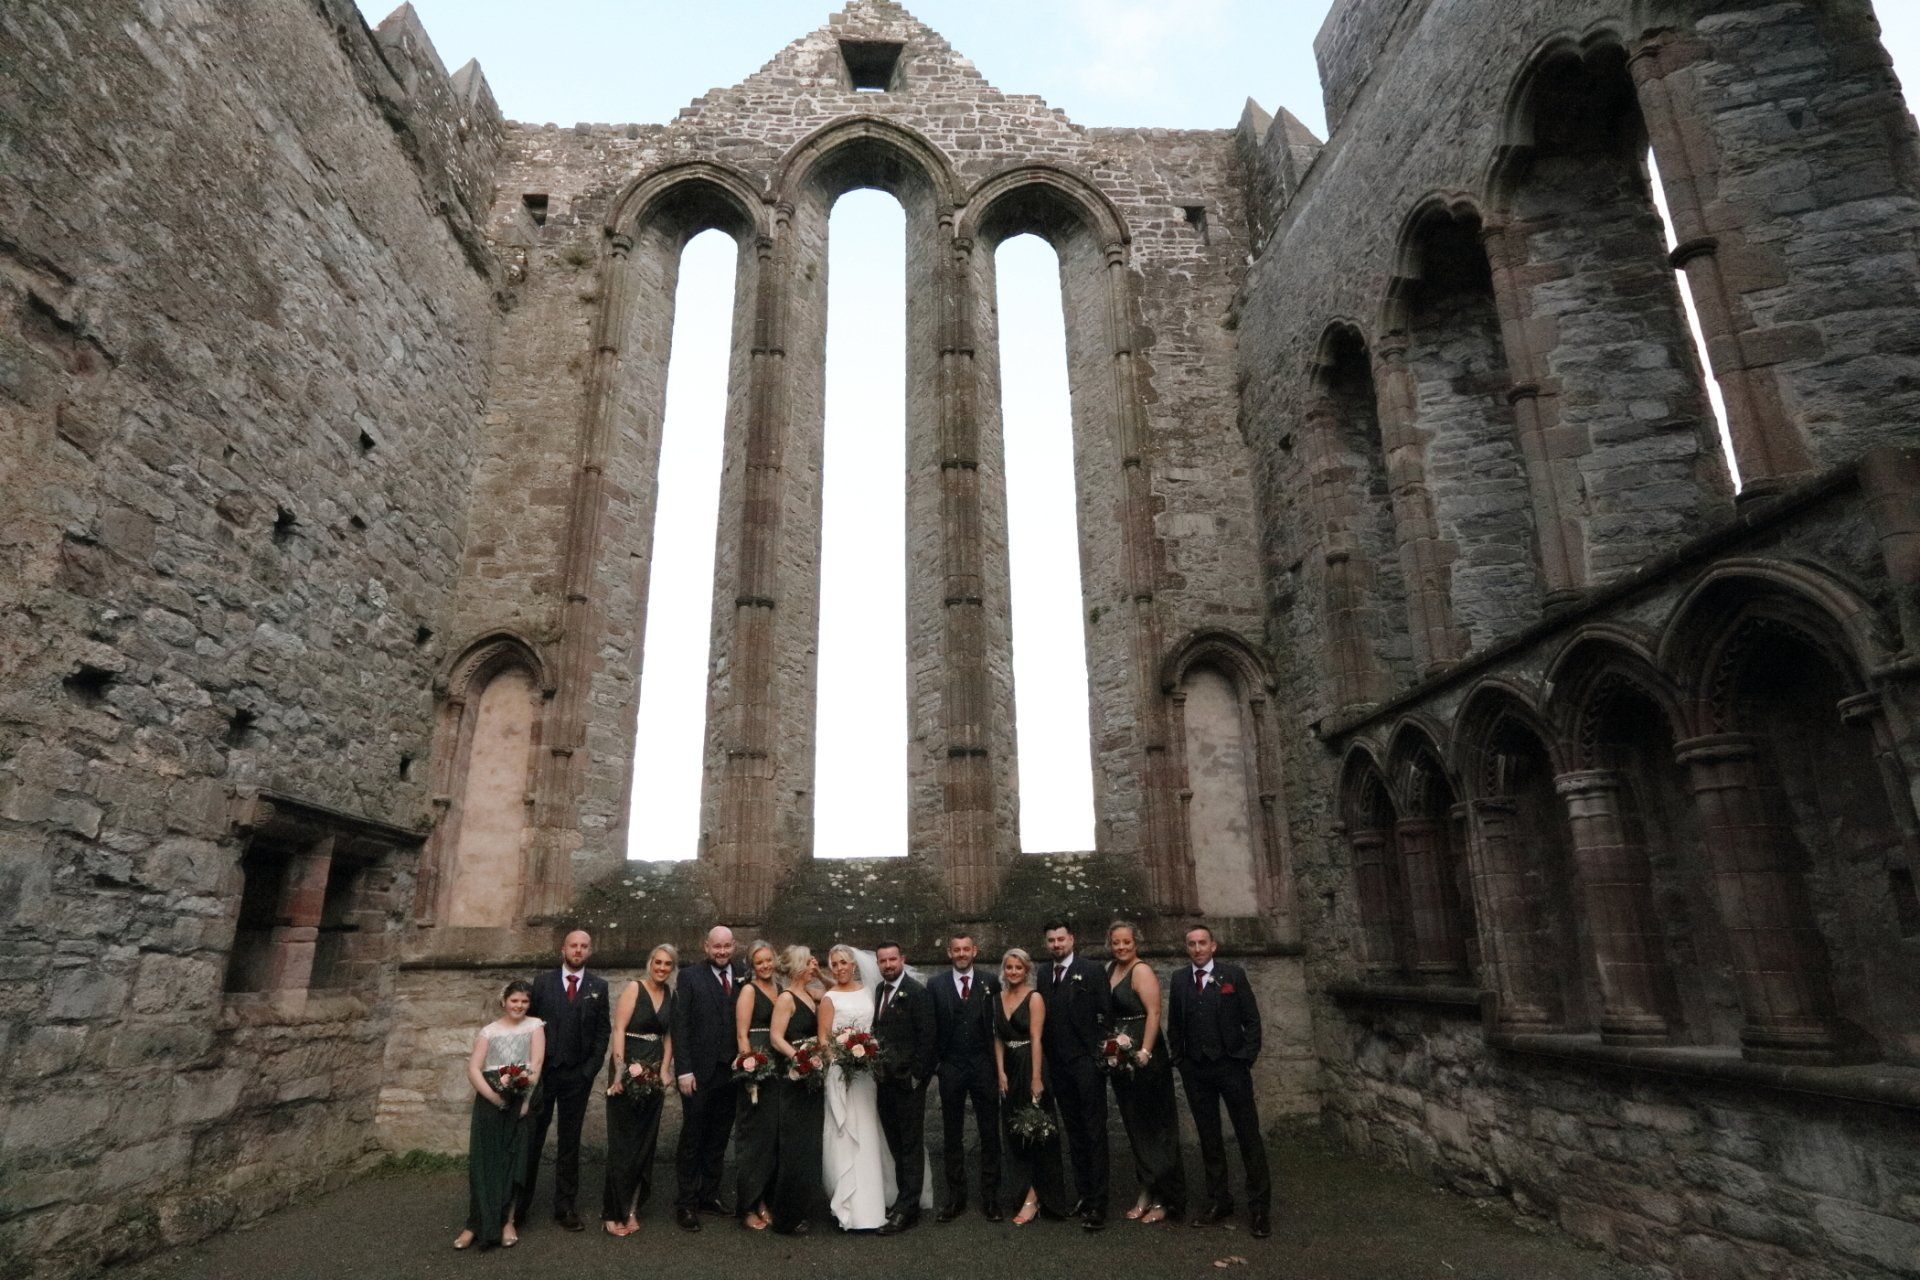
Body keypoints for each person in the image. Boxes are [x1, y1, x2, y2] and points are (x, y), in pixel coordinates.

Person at [1166, 923, 1271, 1240]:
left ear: (1213, 946)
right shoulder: (1179, 979)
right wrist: (1181, 1060)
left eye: (1202, 942)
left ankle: (1259, 1207)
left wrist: (1245, 1058)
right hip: (1196, 1070)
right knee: (1209, 1137)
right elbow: (1175, 1025)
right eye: (1191, 944)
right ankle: (1219, 1200)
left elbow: (1252, 1020)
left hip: (1231, 1067)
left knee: (1248, 1135)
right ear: (1187, 948)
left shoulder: (1233, 976)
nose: (1197, 948)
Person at [518, 929, 610, 1232]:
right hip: (544, 1074)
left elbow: (603, 1032)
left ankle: (565, 1206)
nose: (578, 950)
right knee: (533, 1138)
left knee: (569, 1142)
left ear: (589, 951)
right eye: (573, 945)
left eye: (584, 946)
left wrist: (589, 1071)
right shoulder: (542, 984)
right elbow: (529, 1026)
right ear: (563, 949)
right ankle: (519, 1206)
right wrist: (531, 1069)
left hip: (577, 1076)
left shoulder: (599, 986)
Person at [1105, 919, 1186, 1226]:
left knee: (1156, 1126)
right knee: (1135, 1126)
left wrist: (1146, 1051)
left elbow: (1153, 1012)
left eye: (1126, 942)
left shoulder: (1141, 971)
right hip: (1122, 1058)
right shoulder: (1110, 970)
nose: (1121, 947)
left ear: (1135, 942)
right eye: (1116, 942)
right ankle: (1146, 1190)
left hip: (1146, 1058)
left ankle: (1166, 1197)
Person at [456, 980, 545, 1251]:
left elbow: (536, 1064)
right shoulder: (489, 1031)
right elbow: (474, 1068)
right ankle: (475, 1223)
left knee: (514, 1160)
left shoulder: (535, 1026)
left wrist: (526, 1101)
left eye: (524, 1001)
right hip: (490, 1099)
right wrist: (494, 1097)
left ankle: (508, 1221)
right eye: (514, 1000)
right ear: (504, 1001)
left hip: (522, 1097)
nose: (519, 1006)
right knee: (486, 1160)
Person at [1037, 918, 1112, 1230]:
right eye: (1051, 940)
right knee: (1075, 1133)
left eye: (1061, 939)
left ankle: (1099, 1204)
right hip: (1059, 1066)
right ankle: (1084, 1194)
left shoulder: (1091, 970)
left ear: (1072, 939)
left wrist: (1098, 1057)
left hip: (1086, 1063)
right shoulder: (1043, 973)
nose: (1056, 944)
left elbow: (1105, 1015)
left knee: (1094, 1132)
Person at [670, 924, 745, 1232]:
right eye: (717, 946)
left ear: (733, 946)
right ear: (706, 947)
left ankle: (709, 1195)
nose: (722, 951)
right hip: (698, 1073)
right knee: (693, 1137)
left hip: (731, 1072)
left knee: (718, 1136)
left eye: (726, 946)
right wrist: (683, 1070)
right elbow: (680, 1025)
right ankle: (686, 1202)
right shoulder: (689, 977)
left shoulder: (744, 974)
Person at [820, 943, 896, 1230]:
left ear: (854, 965)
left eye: (844, 962)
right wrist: (841, 1061)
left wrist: (866, 1055)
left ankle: (873, 1203)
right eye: (835, 964)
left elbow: (875, 1029)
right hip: (841, 1073)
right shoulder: (829, 998)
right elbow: (824, 1038)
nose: (840, 968)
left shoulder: (869, 992)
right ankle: (848, 1205)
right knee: (845, 1133)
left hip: (866, 1075)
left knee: (867, 1130)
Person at [601, 943, 676, 1237]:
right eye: (658, 962)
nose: (662, 968)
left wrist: (665, 1069)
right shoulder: (635, 988)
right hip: (628, 1068)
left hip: (654, 1071)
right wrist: (619, 1072)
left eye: (667, 964)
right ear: (650, 963)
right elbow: (619, 1029)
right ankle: (612, 1211)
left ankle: (632, 1208)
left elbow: (669, 1035)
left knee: (645, 1142)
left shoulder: (671, 995)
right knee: (623, 1142)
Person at [930, 931, 1001, 1223]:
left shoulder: (990, 982)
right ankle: (956, 1198)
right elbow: (932, 1027)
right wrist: (938, 1064)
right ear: (949, 952)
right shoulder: (936, 985)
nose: (961, 954)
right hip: (952, 1066)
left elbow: (997, 1023)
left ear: (975, 951)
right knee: (952, 1134)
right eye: (956, 949)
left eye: (966, 949)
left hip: (983, 1065)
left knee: (989, 1131)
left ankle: (991, 1197)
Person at [993, 947, 1066, 1226]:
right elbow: (998, 1038)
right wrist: (1000, 1072)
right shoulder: (997, 998)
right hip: (1009, 1069)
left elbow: (1037, 1039)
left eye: (1018, 967)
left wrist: (1036, 1078)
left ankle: (1037, 1197)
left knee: (1038, 1130)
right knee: (1014, 1132)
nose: (1013, 972)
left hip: (1030, 1064)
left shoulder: (1034, 998)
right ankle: (1022, 1190)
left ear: (1026, 970)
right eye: (1009, 967)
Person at [871, 941, 937, 1235]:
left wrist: (917, 1077)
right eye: (883, 961)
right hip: (884, 1082)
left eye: (892, 959)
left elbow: (928, 1038)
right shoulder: (879, 991)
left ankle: (907, 1209)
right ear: (878, 963)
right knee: (896, 1145)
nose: (888, 965)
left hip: (907, 1084)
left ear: (902, 960)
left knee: (910, 1146)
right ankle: (904, 1200)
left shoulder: (917, 993)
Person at [767, 944, 825, 1235]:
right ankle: (786, 1217)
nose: (813, 965)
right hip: (794, 1079)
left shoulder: (811, 994)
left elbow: (834, 993)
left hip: (812, 1078)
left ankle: (803, 1208)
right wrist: (799, 1058)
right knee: (794, 1147)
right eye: (809, 962)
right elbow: (776, 1037)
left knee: (809, 1146)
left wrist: (821, 973)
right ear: (798, 967)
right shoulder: (786, 998)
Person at [732, 940, 783, 1231]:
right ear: (752, 966)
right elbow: (742, 1035)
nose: (765, 966)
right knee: (754, 1139)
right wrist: (750, 1069)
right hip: (757, 1069)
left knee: (773, 1137)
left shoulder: (780, 989)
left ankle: (767, 1199)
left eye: (768, 960)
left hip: (779, 1070)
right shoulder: (749, 991)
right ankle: (749, 1205)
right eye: (759, 962)